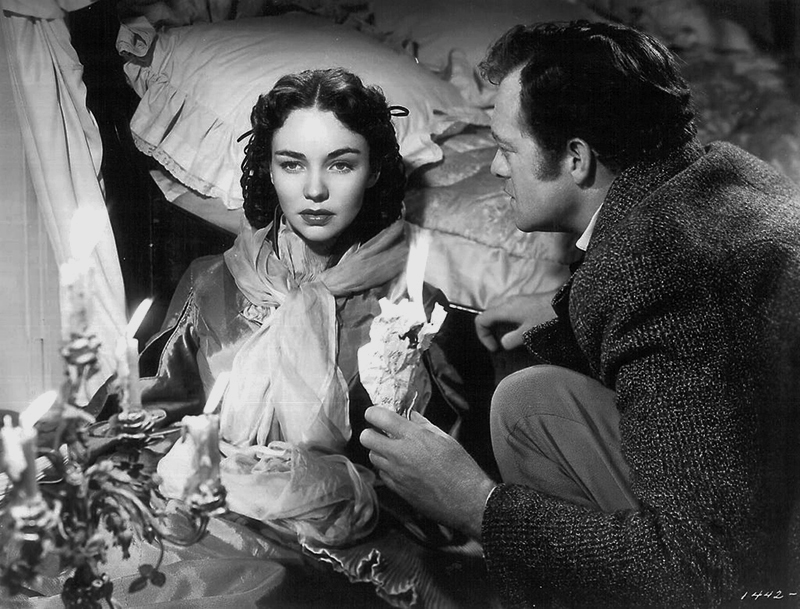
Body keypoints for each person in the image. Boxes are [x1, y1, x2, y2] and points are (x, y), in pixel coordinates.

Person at [360, 20, 800, 607]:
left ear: (576, 158)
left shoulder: (660, 275)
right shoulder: (723, 174)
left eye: (506, 149)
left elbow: (706, 573)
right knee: (529, 401)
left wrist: (475, 505)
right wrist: (568, 306)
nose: (496, 168)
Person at [139, 67, 453, 546]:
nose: (315, 190)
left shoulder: (413, 308)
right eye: (292, 164)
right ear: (269, 169)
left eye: (341, 165)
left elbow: (433, 485)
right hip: (208, 520)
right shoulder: (211, 280)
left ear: (373, 172)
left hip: (342, 542)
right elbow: (158, 417)